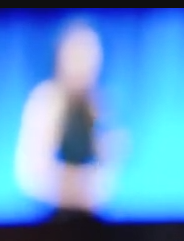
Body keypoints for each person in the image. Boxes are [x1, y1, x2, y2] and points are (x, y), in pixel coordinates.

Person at [14, 20, 128, 215]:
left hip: (93, 220)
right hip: (49, 219)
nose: (85, 63)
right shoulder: (45, 101)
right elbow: (30, 175)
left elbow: (107, 182)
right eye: (77, 54)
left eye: (90, 54)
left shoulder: (100, 104)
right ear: (60, 56)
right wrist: (76, 186)